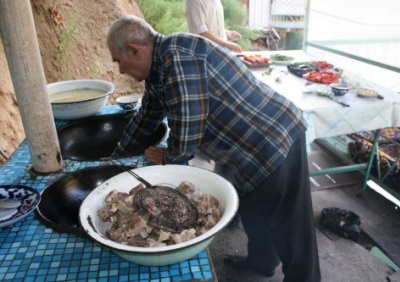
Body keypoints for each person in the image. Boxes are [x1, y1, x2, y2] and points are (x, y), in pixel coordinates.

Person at [108, 15, 321, 281]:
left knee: (292, 228)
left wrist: (169, 158)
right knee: (254, 208)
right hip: (245, 149)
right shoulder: (159, 68)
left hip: (274, 136)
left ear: (134, 50)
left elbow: (188, 125)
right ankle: (262, 262)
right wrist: (115, 158)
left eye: (118, 60)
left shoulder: (177, 57)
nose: (119, 69)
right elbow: (147, 115)